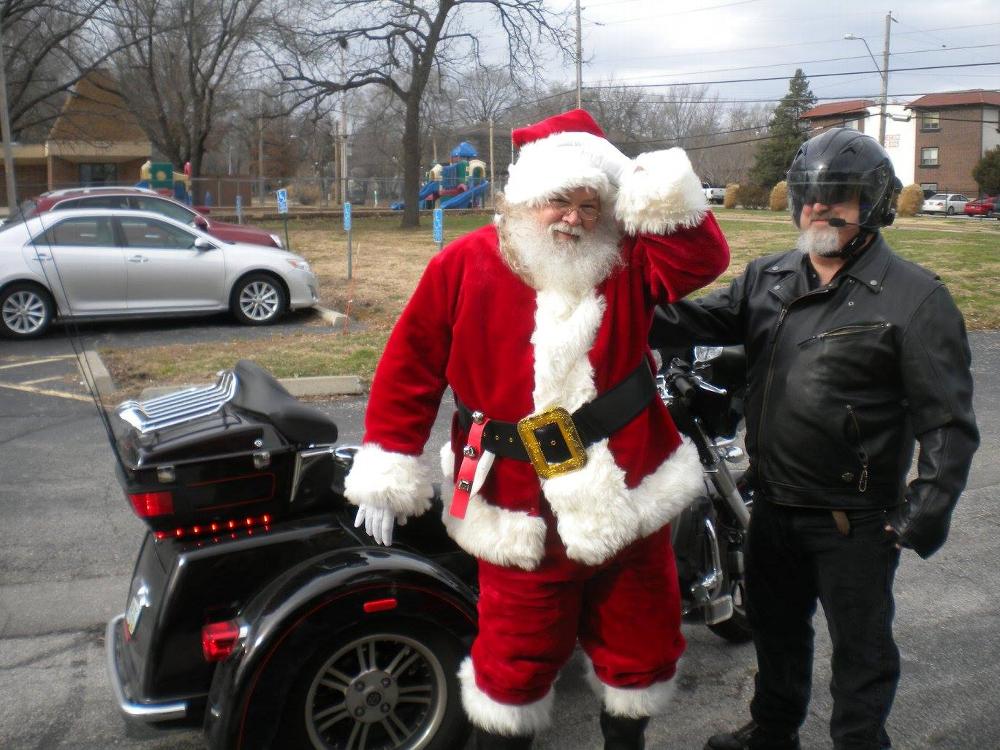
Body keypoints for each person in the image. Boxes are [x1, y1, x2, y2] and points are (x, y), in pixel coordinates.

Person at [344, 109, 730, 749]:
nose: (573, 218)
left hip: (629, 489)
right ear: (524, 198)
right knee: (514, 665)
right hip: (516, 498)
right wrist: (388, 467)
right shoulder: (463, 265)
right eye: (559, 201)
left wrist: (652, 183)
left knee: (640, 648)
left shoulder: (626, 261)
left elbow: (701, 258)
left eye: (589, 203)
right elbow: (410, 366)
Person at [650, 127, 980, 750]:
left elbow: (948, 422)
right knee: (777, 632)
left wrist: (921, 513)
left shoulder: (916, 298)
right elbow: (691, 318)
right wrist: (614, 303)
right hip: (772, 506)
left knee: (861, 649)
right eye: (809, 195)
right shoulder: (767, 278)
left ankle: (860, 741)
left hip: (855, 519)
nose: (818, 210)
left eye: (839, 198)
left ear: (872, 206)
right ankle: (773, 732)